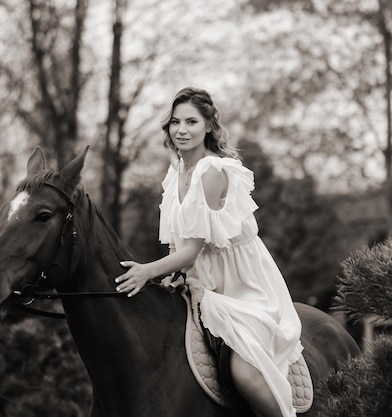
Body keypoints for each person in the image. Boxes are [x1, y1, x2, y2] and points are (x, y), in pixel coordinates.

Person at [115, 87, 303, 417]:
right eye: (175, 122)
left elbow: (190, 250)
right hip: (202, 281)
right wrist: (173, 277)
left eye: (191, 121)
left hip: (243, 286)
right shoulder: (175, 175)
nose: (182, 130)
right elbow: (176, 243)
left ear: (209, 127)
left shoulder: (211, 171)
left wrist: (147, 271)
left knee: (244, 374)